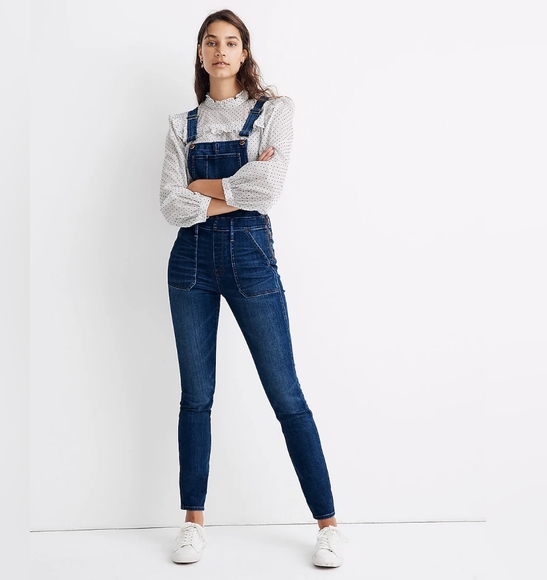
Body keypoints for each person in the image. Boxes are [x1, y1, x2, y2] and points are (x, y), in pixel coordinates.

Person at [159, 9, 344, 568]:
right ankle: (193, 523)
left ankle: (329, 526)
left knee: (286, 395)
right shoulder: (181, 124)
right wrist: (229, 190)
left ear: (244, 53)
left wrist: (202, 187)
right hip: (189, 265)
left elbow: (270, 187)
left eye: (231, 42)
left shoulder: (274, 112)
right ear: (200, 53)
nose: (221, 51)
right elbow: (171, 204)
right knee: (196, 397)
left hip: (251, 262)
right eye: (211, 42)